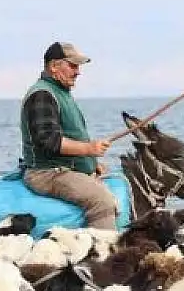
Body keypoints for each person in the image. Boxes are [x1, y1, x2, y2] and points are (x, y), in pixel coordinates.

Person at [19, 41, 119, 230]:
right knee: (102, 200)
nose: (78, 72)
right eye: (72, 65)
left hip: (62, 169)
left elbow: (69, 135)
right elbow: (48, 140)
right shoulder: (42, 94)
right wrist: (89, 149)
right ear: (54, 66)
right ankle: (104, 255)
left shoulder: (59, 93)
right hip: (46, 173)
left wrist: (90, 163)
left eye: (78, 67)